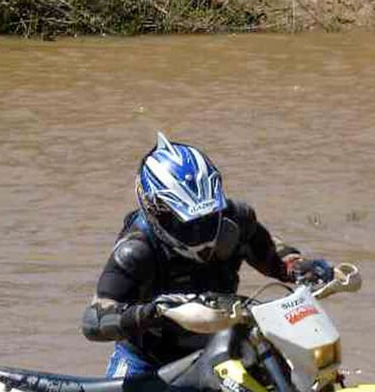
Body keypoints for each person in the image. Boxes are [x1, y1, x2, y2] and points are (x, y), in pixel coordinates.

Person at [82, 132, 334, 378]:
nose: (200, 231)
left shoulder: (236, 221)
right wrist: (158, 312)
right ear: (156, 212)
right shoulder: (136, 250)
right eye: (187, 223)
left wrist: (297, 266)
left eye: (208, 218)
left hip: (225, 348)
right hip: (149, 362)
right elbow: (95, 319)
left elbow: (273, 256)